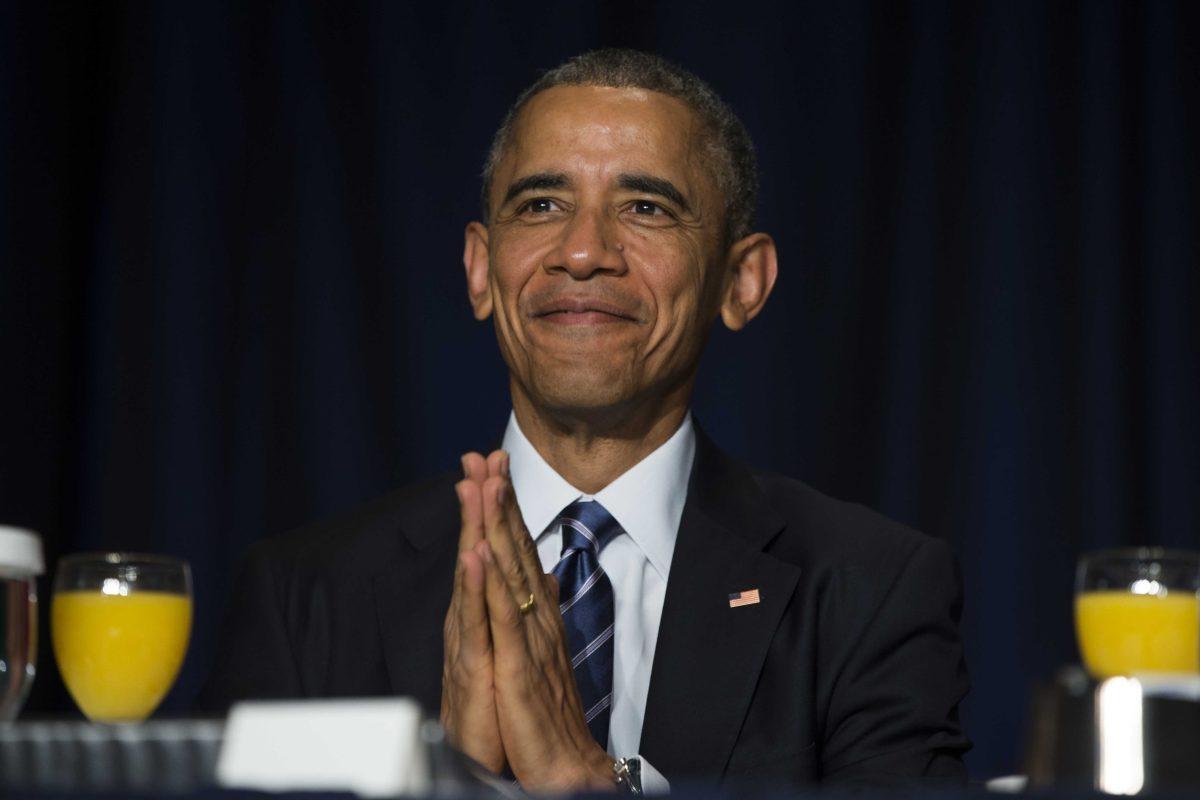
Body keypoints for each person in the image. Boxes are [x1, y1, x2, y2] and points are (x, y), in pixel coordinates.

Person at [198, 49, 970, 793]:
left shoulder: (873, 591)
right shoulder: (306, 597)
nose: (582, 251)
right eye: (541, 205)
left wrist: (589, 784)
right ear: (480, 268)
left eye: (645, 207)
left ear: (741, 281)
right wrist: (453, 788)